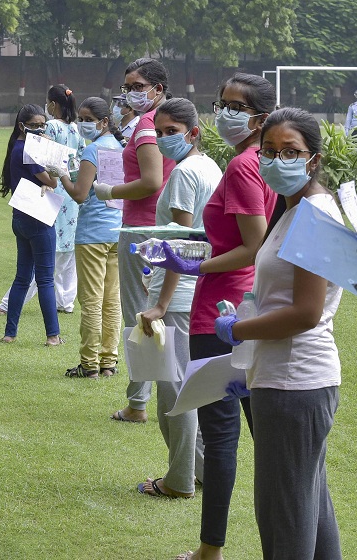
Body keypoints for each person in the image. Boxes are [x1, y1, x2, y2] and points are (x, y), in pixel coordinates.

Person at [153, 73, 278, 560]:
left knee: (223, 436)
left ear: (260, 118)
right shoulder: (257, 161)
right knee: (260, 434)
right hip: (240, 308)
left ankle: (210, 550)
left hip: (219, 314)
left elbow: (252, 247)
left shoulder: (247, 167)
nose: (224, 112)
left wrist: (191, 262)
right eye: (221, 102)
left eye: (235, 105)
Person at [214, 107, 343, 559]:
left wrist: (239, 329)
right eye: (269, 151)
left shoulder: (313, 215)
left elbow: (306, 312)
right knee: (308, 504)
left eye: (291, 152)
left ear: (313, 158)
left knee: (284, 514)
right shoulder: (295, 211)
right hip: (289, 377)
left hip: (294, 381)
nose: (276, 160)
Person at [136, 98, 221, 498]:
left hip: (179, 296)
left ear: (193, 132)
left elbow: (181, 243)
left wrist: (162, 303)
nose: (165, 139)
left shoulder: (187, 173)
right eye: (161, 132)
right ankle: (197, 471)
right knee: (178, 385)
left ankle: (180, 479)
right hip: (191, 291)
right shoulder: (208, 167)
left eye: (173, 131)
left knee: (175, 392)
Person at [94, 58, 175, 424]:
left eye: (138, 86)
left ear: (157, 89)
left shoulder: (147, 124)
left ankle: (138, 403)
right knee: (158, 312)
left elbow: (151, 181)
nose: (130, 93)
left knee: (137, 314)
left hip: (142, 228)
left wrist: (109, 189)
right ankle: (146, 398)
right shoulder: (169, 122)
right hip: (165, 226)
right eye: (127, 87)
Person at [57, 96, 124, 377]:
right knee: (112, 301)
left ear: (104, 122)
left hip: (92, 234)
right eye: (80, 119)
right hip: (118, 230)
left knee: (92, 301)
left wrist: (62, 175)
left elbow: (80, 194)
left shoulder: (92, 151)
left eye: (87, 119)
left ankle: (89, 363)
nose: (82, 124)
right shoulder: (120, 148)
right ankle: (109, 360)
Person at [0, 104, 61, 345]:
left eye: (42, 124)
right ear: (22, 125)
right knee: (45, 279)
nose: (40, 129)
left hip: (20, 218)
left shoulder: (17, 147)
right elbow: (52, 181)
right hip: (39, 219)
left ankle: (10, 333)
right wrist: (50, 154)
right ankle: (53, 336)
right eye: (35, 125)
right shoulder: (30, 151)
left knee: (22, 278)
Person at [44, 85, 83, 314]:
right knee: (68, 246)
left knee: (52, 245)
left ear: (52, 105)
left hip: (55, 187)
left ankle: (51, 293)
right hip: (71, 190)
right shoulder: (76, 129)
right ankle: (66, 301)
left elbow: (46, 158)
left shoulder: (51, 127)